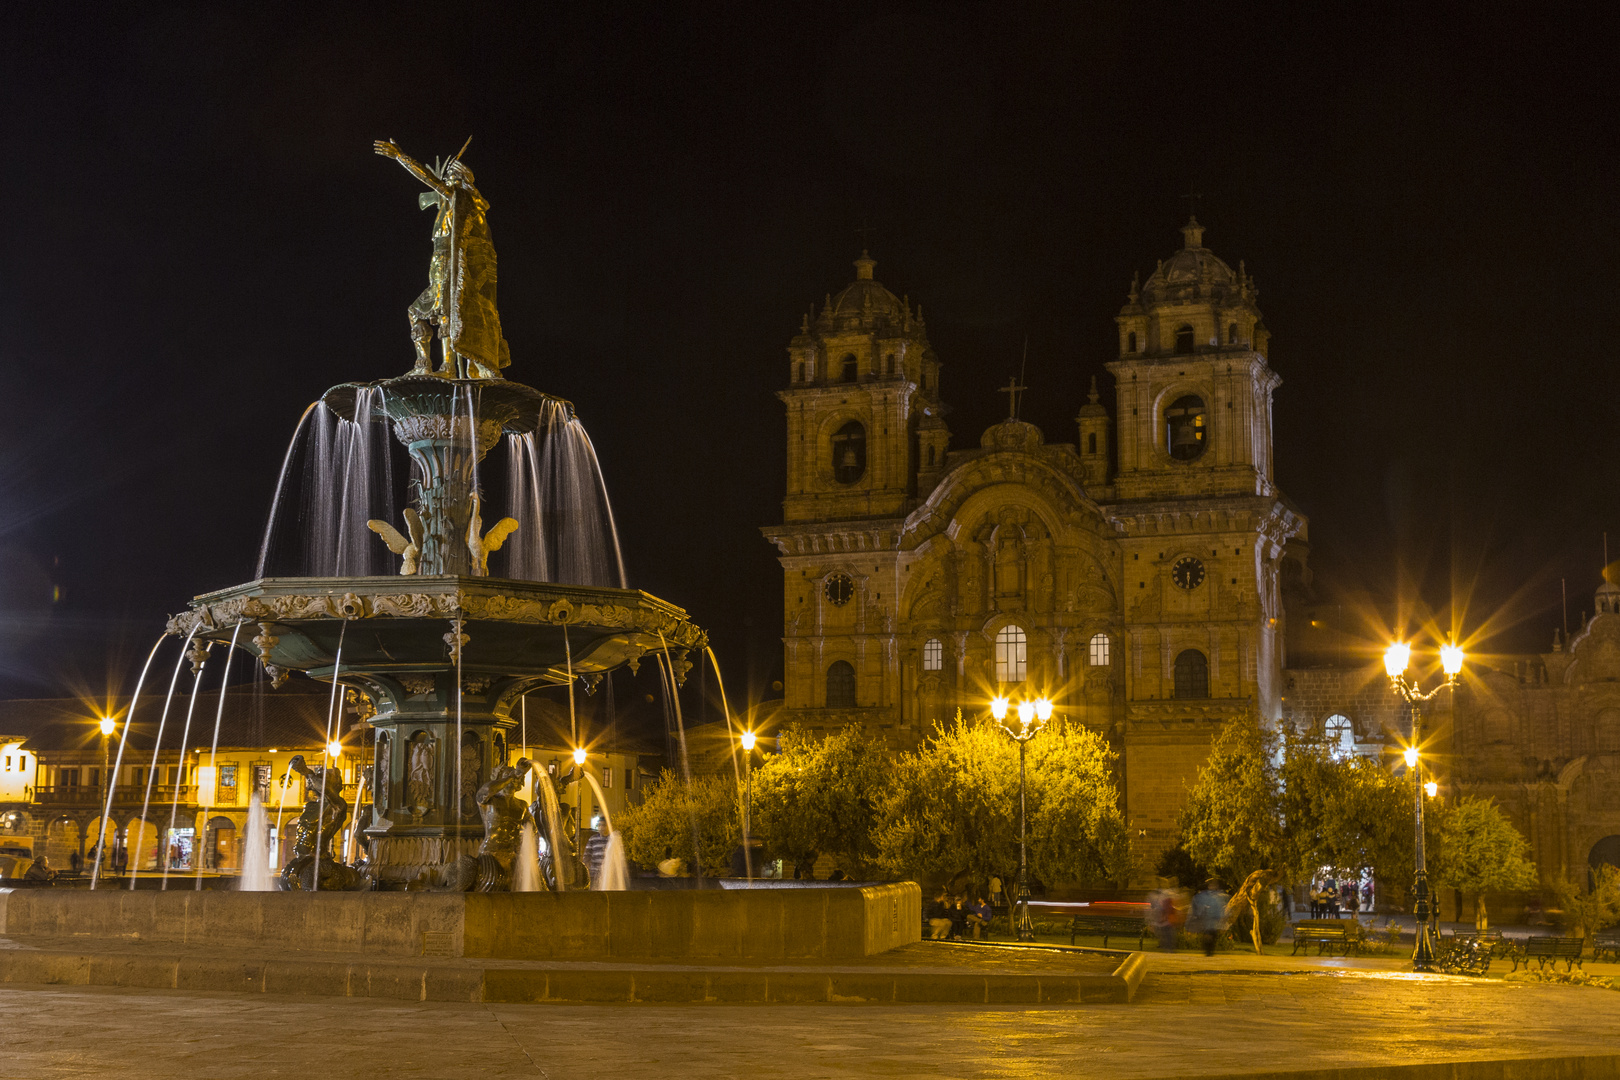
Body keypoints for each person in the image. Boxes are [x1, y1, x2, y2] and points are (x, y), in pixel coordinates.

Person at [1190, 880, 1229, 956]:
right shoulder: (1205, 896)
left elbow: (1218, 907)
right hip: (1207, 919)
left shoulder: (1216, 896)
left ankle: (1209, 951)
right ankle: (1208, 951)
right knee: (1209, 935)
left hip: (1212, 920)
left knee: (1212, 935)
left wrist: (1219, 917)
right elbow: (1197, 904)